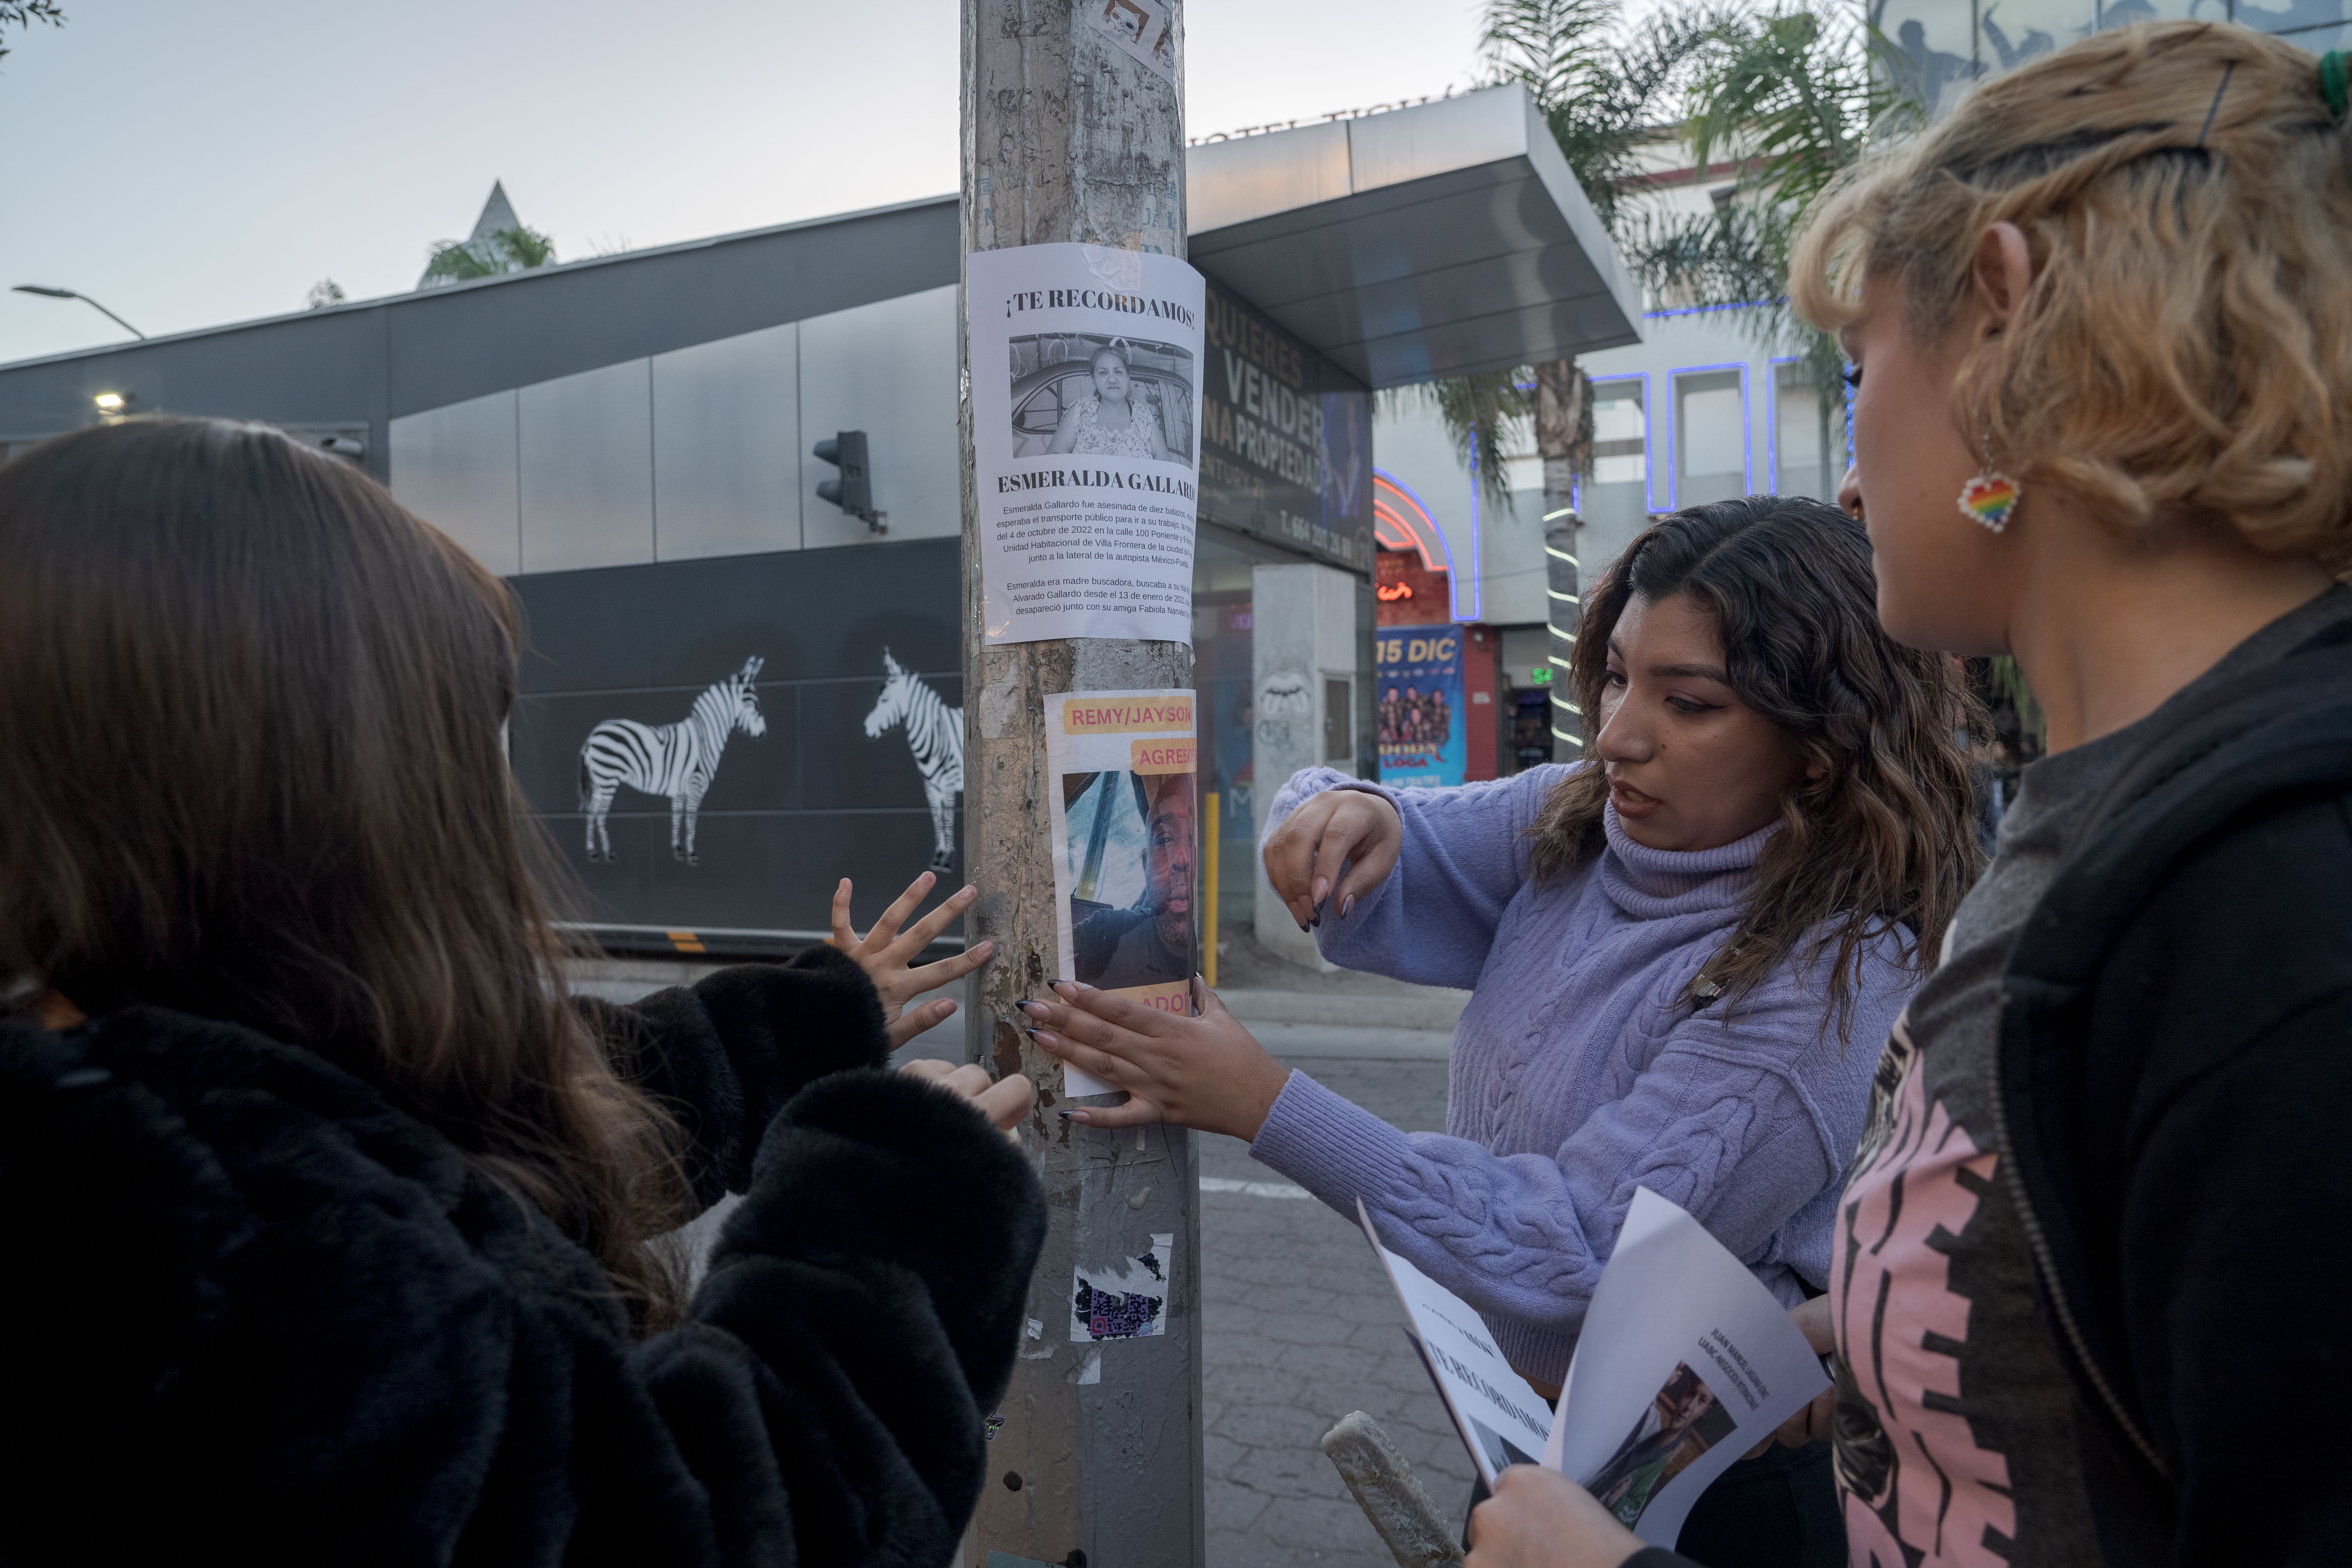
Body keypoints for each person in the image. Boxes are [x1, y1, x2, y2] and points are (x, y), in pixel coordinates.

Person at [1465, 22, 2352, 1567]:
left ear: (2002, 313)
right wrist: (1871, 1339)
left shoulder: (2274, 907)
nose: (1856, 478)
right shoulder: (2126, 819)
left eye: (1862, 366)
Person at [0, 418, 1044, 1565]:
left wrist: (803, 1023)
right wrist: (897, 1213)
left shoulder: (137, 1108)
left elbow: (470, 1118)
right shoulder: (240, 1250)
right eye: (459, 740)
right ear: (328, 797)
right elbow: (687, 1530)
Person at [1023, 494, 1983, 1565]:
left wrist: (1264, 1104)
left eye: (1691, 704)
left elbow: (1572, 1244)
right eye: (1618, 676)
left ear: (1819, 749)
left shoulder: (1830, 978)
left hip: (1711, 1497)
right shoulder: (1593, 817)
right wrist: (1348, 808)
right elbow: (1381, 835)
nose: (1619, 737)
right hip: (1524, 1437)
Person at [1073, 771, 1196, 991]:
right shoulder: (1107, 932)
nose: (1182, 860)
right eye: (1166, 839)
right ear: (1145, 864)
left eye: (1193, 840)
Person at [1047, 340, 1171, 461]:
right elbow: (1053, 457)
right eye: (1103, 373)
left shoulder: (1145, 418)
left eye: (1118, 372)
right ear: (1094, 379)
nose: (1112, 379)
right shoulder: (1081, 412)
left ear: (1128, 378)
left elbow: (1166, 468)